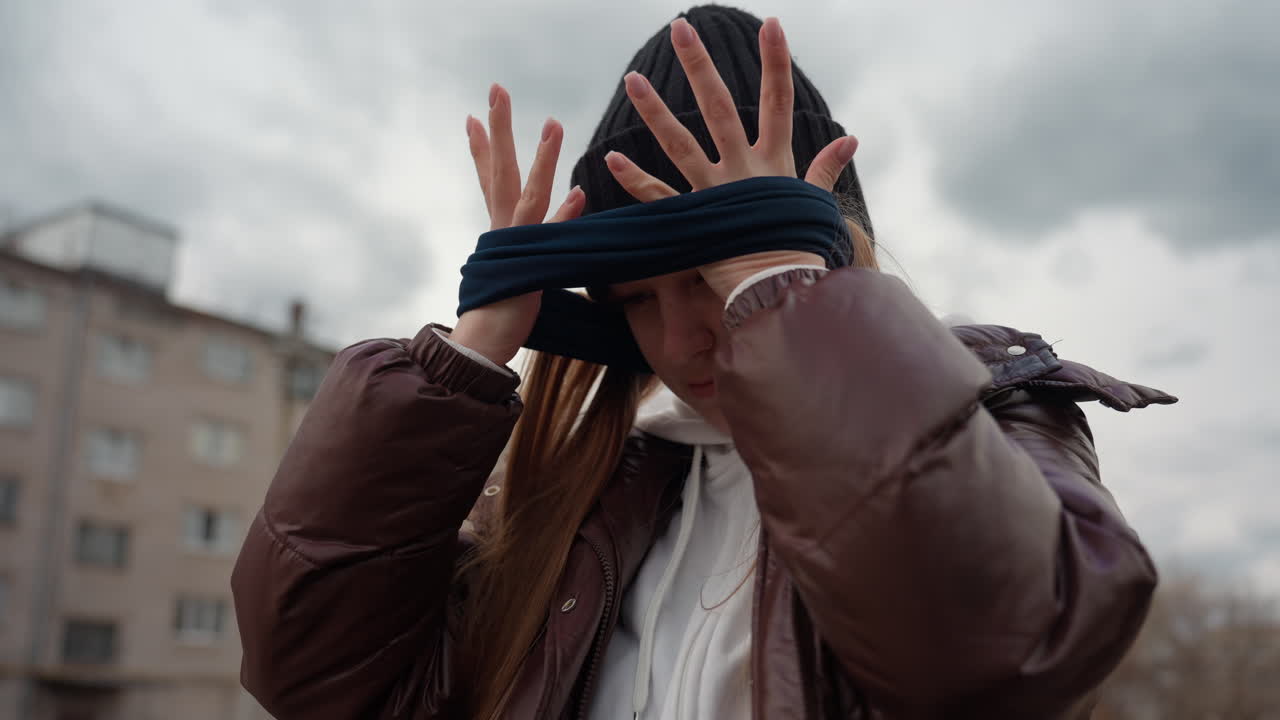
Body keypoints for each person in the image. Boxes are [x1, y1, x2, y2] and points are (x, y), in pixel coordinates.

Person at [231, 6, 1176, 719]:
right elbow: (316, 678)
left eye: (717, 282)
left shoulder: (1000, 415)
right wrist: (469, 352)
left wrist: (783, 301)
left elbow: (991, 654)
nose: (681, 341)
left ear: (821, 265)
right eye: (637, 298)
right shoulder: (584, 501)